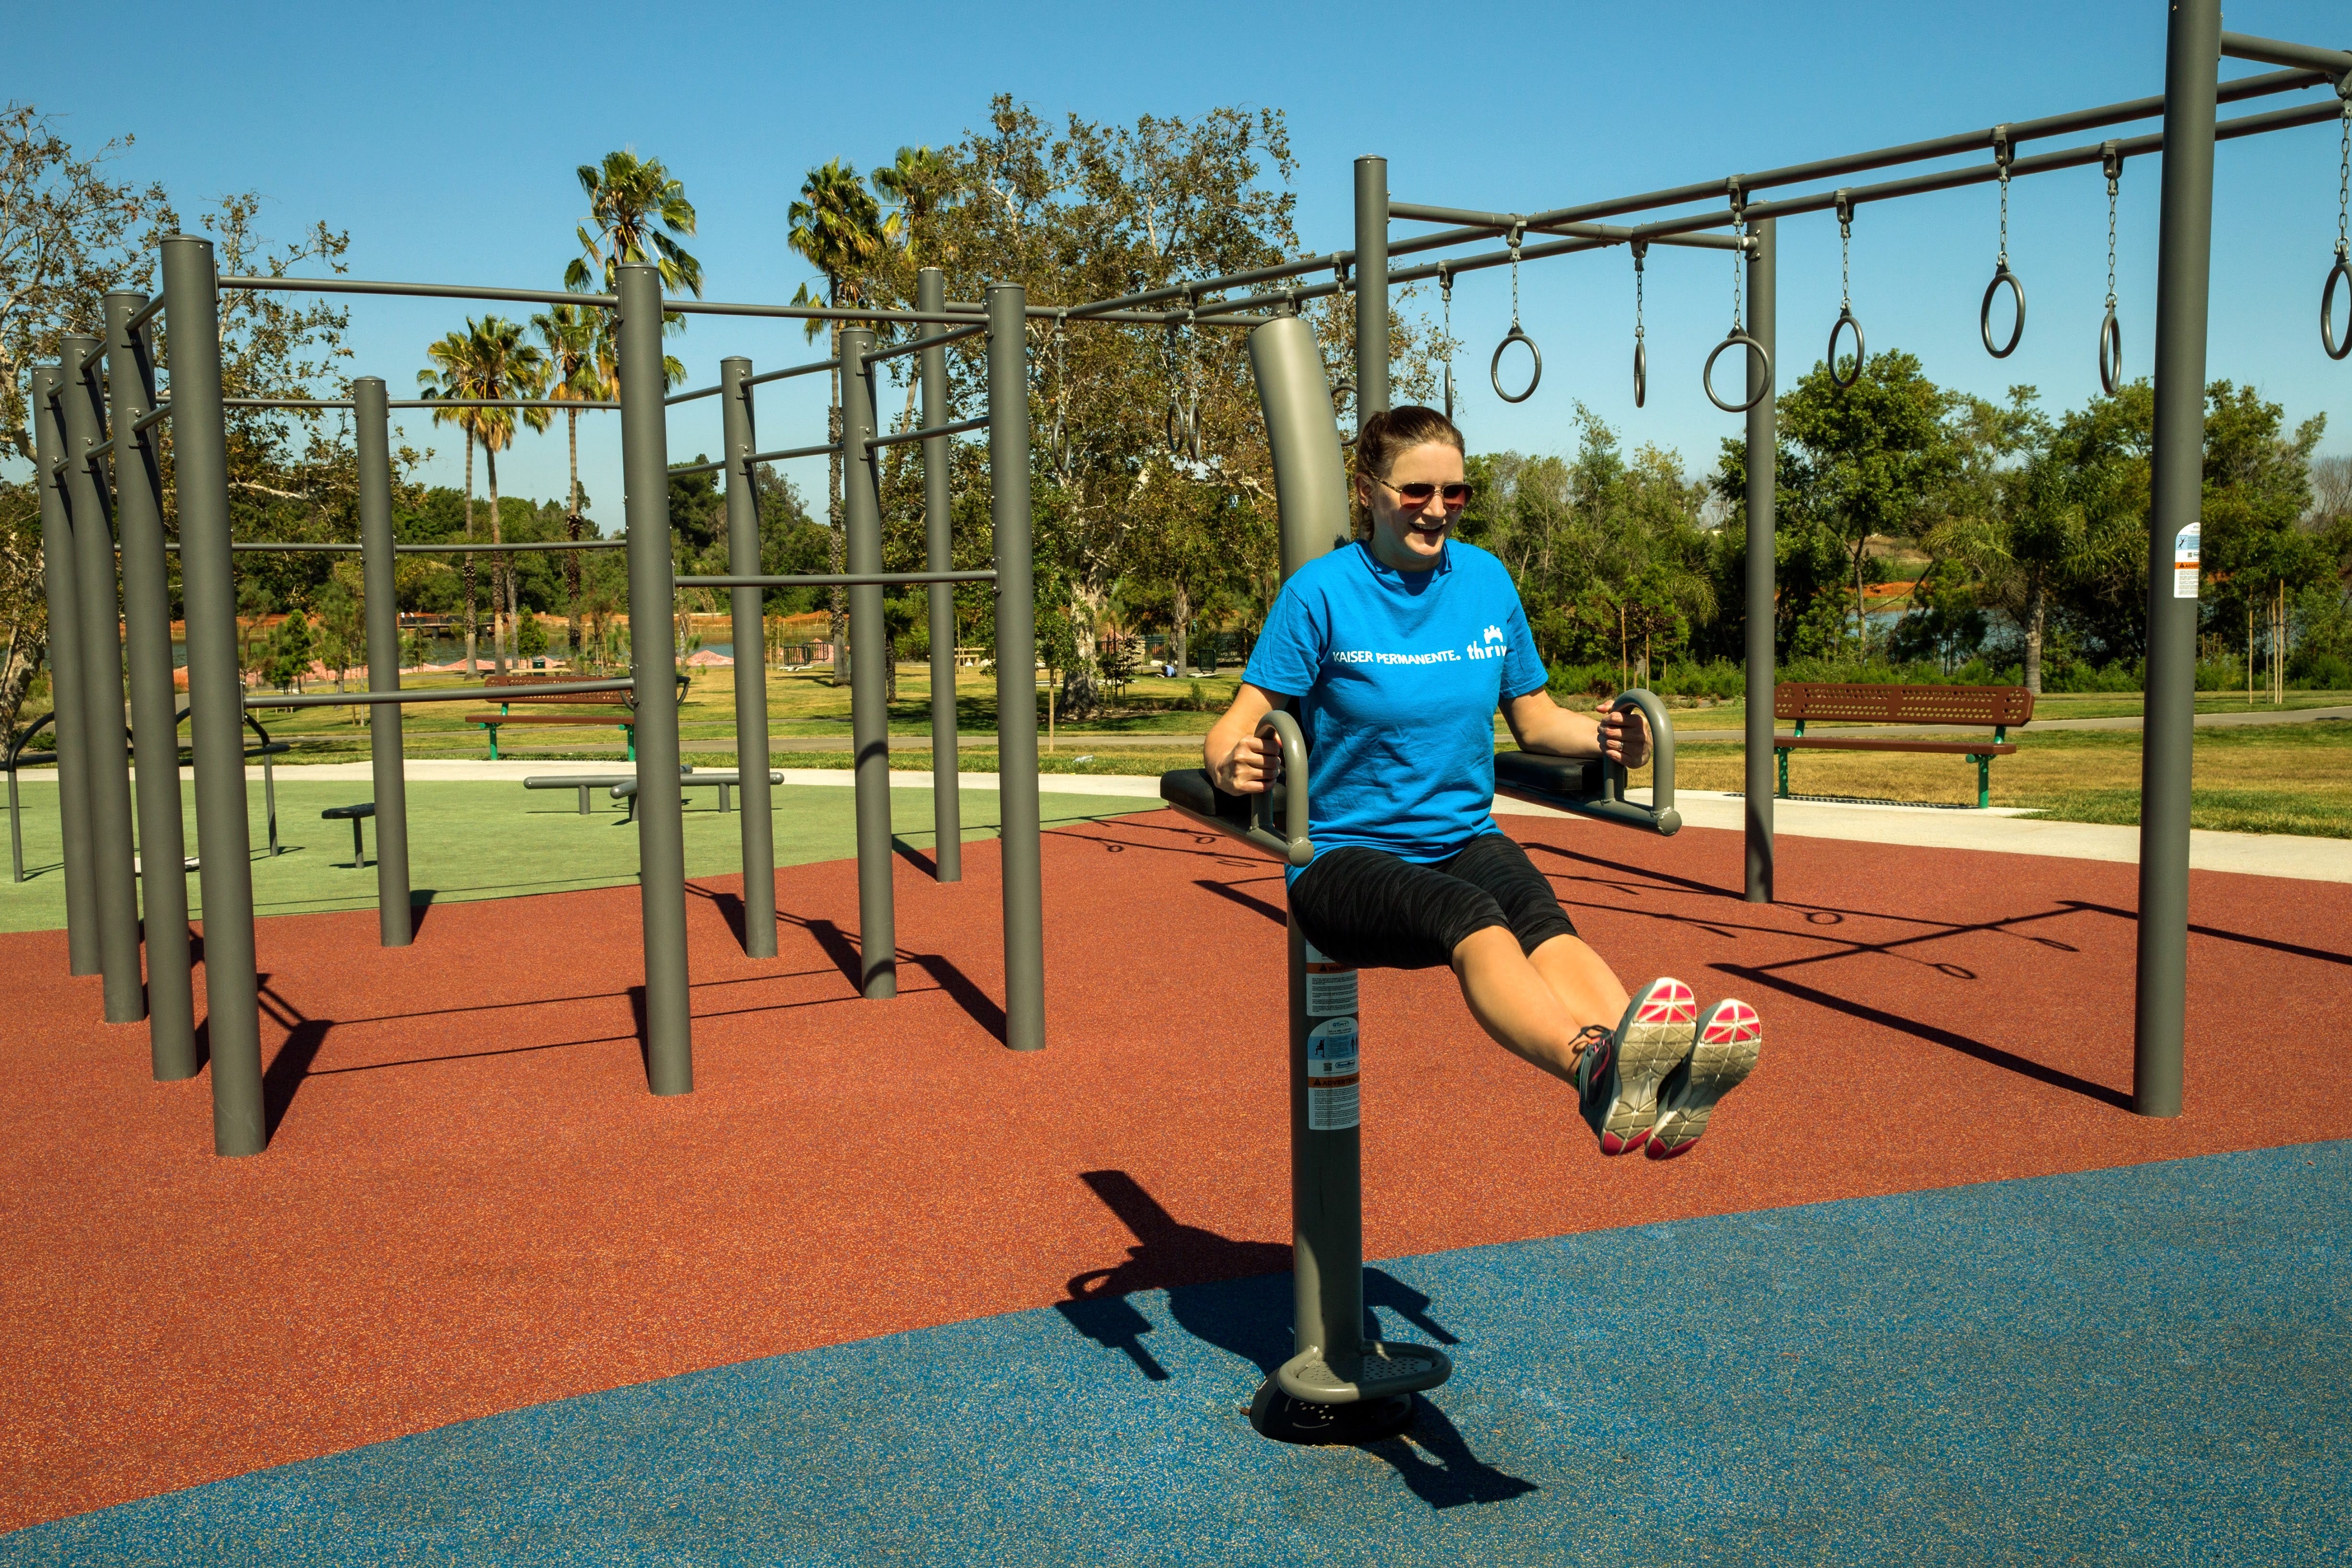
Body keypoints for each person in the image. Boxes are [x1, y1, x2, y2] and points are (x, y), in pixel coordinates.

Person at [1202, 405, 1760, 1157]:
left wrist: (1607, 736)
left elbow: (1534, 718)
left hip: (1461, 834)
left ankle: (1654, 1083)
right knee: (1470, 912)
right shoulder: (1321, 594)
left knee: (1542, 919)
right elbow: (1238, 722)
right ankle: (1591, 1068)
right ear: (1367, 489)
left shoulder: (1486, 581)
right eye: (1416, 491)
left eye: (1454, 492)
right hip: (1341, 855)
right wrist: (1230, 761)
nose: (1437, 509)